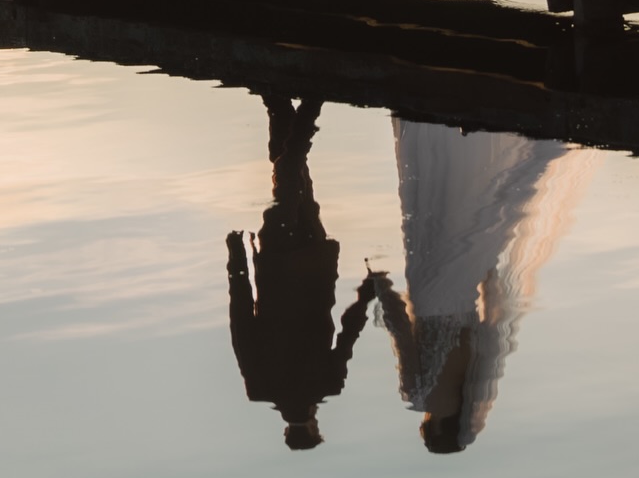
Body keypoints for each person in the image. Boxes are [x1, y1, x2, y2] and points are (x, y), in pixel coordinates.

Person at [373, 120, 594, 454]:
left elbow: (494, 307)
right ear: (430, 428)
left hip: (464, 287)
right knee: (433, 199)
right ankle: (435, 130)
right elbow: (400, 328)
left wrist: (486, 262)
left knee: (469, 206)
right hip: (428, 291)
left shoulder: (476, 376)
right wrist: (379, 285)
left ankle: (468, 137)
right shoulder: (418, 395)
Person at [226, 93, 375, 451]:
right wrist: (237, 261)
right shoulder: (258, 387)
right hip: (276, 263)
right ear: (285, 430)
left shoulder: (327, 385)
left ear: (312, 424)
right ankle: (279, 105)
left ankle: (310, 101)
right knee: (290, 177)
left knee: (292, 175)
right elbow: (241, 320)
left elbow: (349, 331)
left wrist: (368, 292)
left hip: (313, 265)